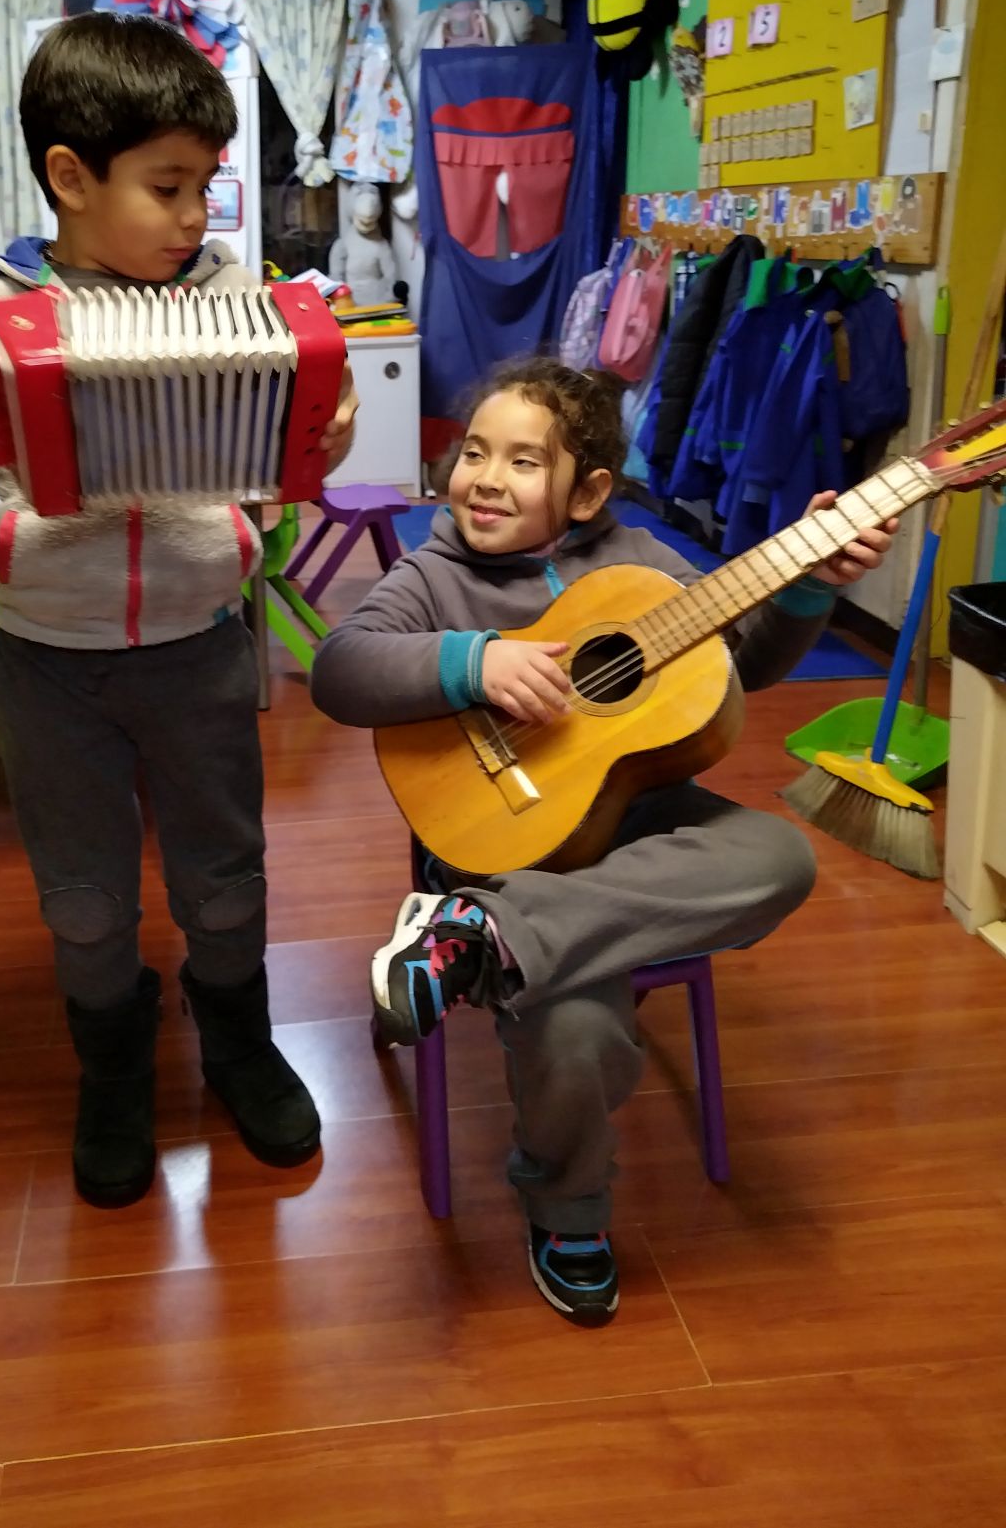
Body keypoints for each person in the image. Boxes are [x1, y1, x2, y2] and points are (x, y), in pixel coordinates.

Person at [309, 355, 895, 1327]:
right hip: (497, 843)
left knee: (781, 855)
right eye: (474, 452)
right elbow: (341, 669)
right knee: (576, 1021)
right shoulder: (430, 573)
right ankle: (568, 1207)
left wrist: (804, 589)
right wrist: (473, 660)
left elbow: (740, 665)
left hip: (632, 834)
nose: (484, 477)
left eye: (522, 461)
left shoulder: (640, 565)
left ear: (586, 492)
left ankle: (485, 938)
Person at [0, 13, 358, 1210]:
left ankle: (238, 1040)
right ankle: (110, 1059)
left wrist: (325, 432)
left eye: (205, 183)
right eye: (168, 185)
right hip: (50, 658)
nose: (197, 215)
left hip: (202, 641)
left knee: (226, 877)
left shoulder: (232, 293)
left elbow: (277, 459)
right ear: (70, 176)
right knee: (85, 896)